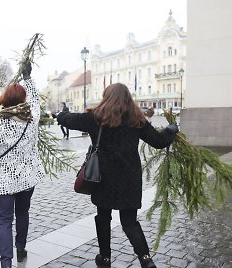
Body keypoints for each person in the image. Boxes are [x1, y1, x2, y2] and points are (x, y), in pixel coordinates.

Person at [57, 83, 178, 268]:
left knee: (103, 217)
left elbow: (67, 119)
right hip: (129, 178)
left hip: (102, 177)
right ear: (128, 98)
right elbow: (159, 141)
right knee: (129, 222)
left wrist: (61, 114)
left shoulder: (95, 117)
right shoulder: (137, 119)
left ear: (106, 97)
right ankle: (146, 259)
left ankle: (104, 259)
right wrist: (170, 130)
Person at [0, 62, 44, 268]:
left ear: (5, 99)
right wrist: (28, 79)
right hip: (28, 178)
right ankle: (21, 248)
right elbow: (36, 100)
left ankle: (6, 264)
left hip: (4, 182)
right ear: (23, 100)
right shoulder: (33, 119)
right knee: (23, 213)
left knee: (5, 221)